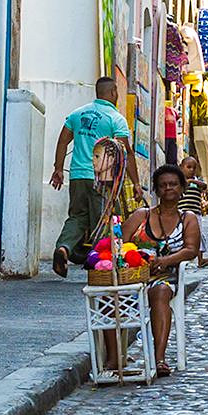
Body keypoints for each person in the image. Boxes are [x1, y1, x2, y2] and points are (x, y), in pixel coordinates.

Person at [110, 161, 206, 375]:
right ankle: (113, 359)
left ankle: (159, 358)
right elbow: (118, 243)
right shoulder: (141, 216)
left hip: (165, 276)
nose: (168, 188)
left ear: (182, 188)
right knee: (108, 295)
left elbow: (191, 249)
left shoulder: (187, 219)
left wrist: (165, 261)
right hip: (133, 275)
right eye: (163, 185)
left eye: (173, 184)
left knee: (161, 291)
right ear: (156, 189)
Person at [47, 74, 131, 278]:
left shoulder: (77, 114)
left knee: (77, 216)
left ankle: (64, 248)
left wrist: (58, 169)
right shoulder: (116, 119)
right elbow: (124, 151)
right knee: (103, 221)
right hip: (102, 178)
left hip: (77, 176)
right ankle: (99, 267)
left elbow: (62, 142)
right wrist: (135, 182)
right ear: (112, 93)